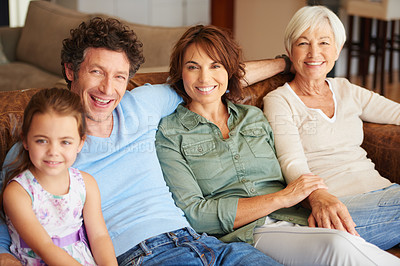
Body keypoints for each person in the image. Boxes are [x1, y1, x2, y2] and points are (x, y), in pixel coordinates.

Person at [0, 17, 290, 265]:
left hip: (205, 244)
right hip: (141, 256)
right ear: (70, 71)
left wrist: (285, 63)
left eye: (119, 77)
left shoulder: (143, 104)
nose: (107, 89)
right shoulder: (45, 148)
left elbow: (212, 83)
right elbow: (6, 232)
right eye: (96, 71)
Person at [155, 24, 400, 265]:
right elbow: (196, 215)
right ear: (180, 72)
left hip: (298, 218)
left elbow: (288, 164)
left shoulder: (252, 117)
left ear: (229, 70)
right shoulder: (170, 133)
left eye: (215, 65)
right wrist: (282, 198)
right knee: (337, 246)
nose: (204, 78)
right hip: (249, 232)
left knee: (346, 243)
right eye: (192, 67)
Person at [263, 5, 400, 251]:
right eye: (303, 43)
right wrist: (317, 198)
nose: (314, 52)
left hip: (386, 196)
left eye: (325, 43)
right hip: (338, 208)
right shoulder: (279, 100)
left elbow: (397, 112)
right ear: (289, 51)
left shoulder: (346, 89)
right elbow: (291, 162)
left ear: (337, 49)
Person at [1, 88, 117, 265]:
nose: (53, 152)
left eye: (65, 142)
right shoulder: (17, 193)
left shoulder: (86, 184)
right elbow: (45, 247)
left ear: (80, 143)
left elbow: (100, 237)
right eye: (42, 140)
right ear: (25, 140)